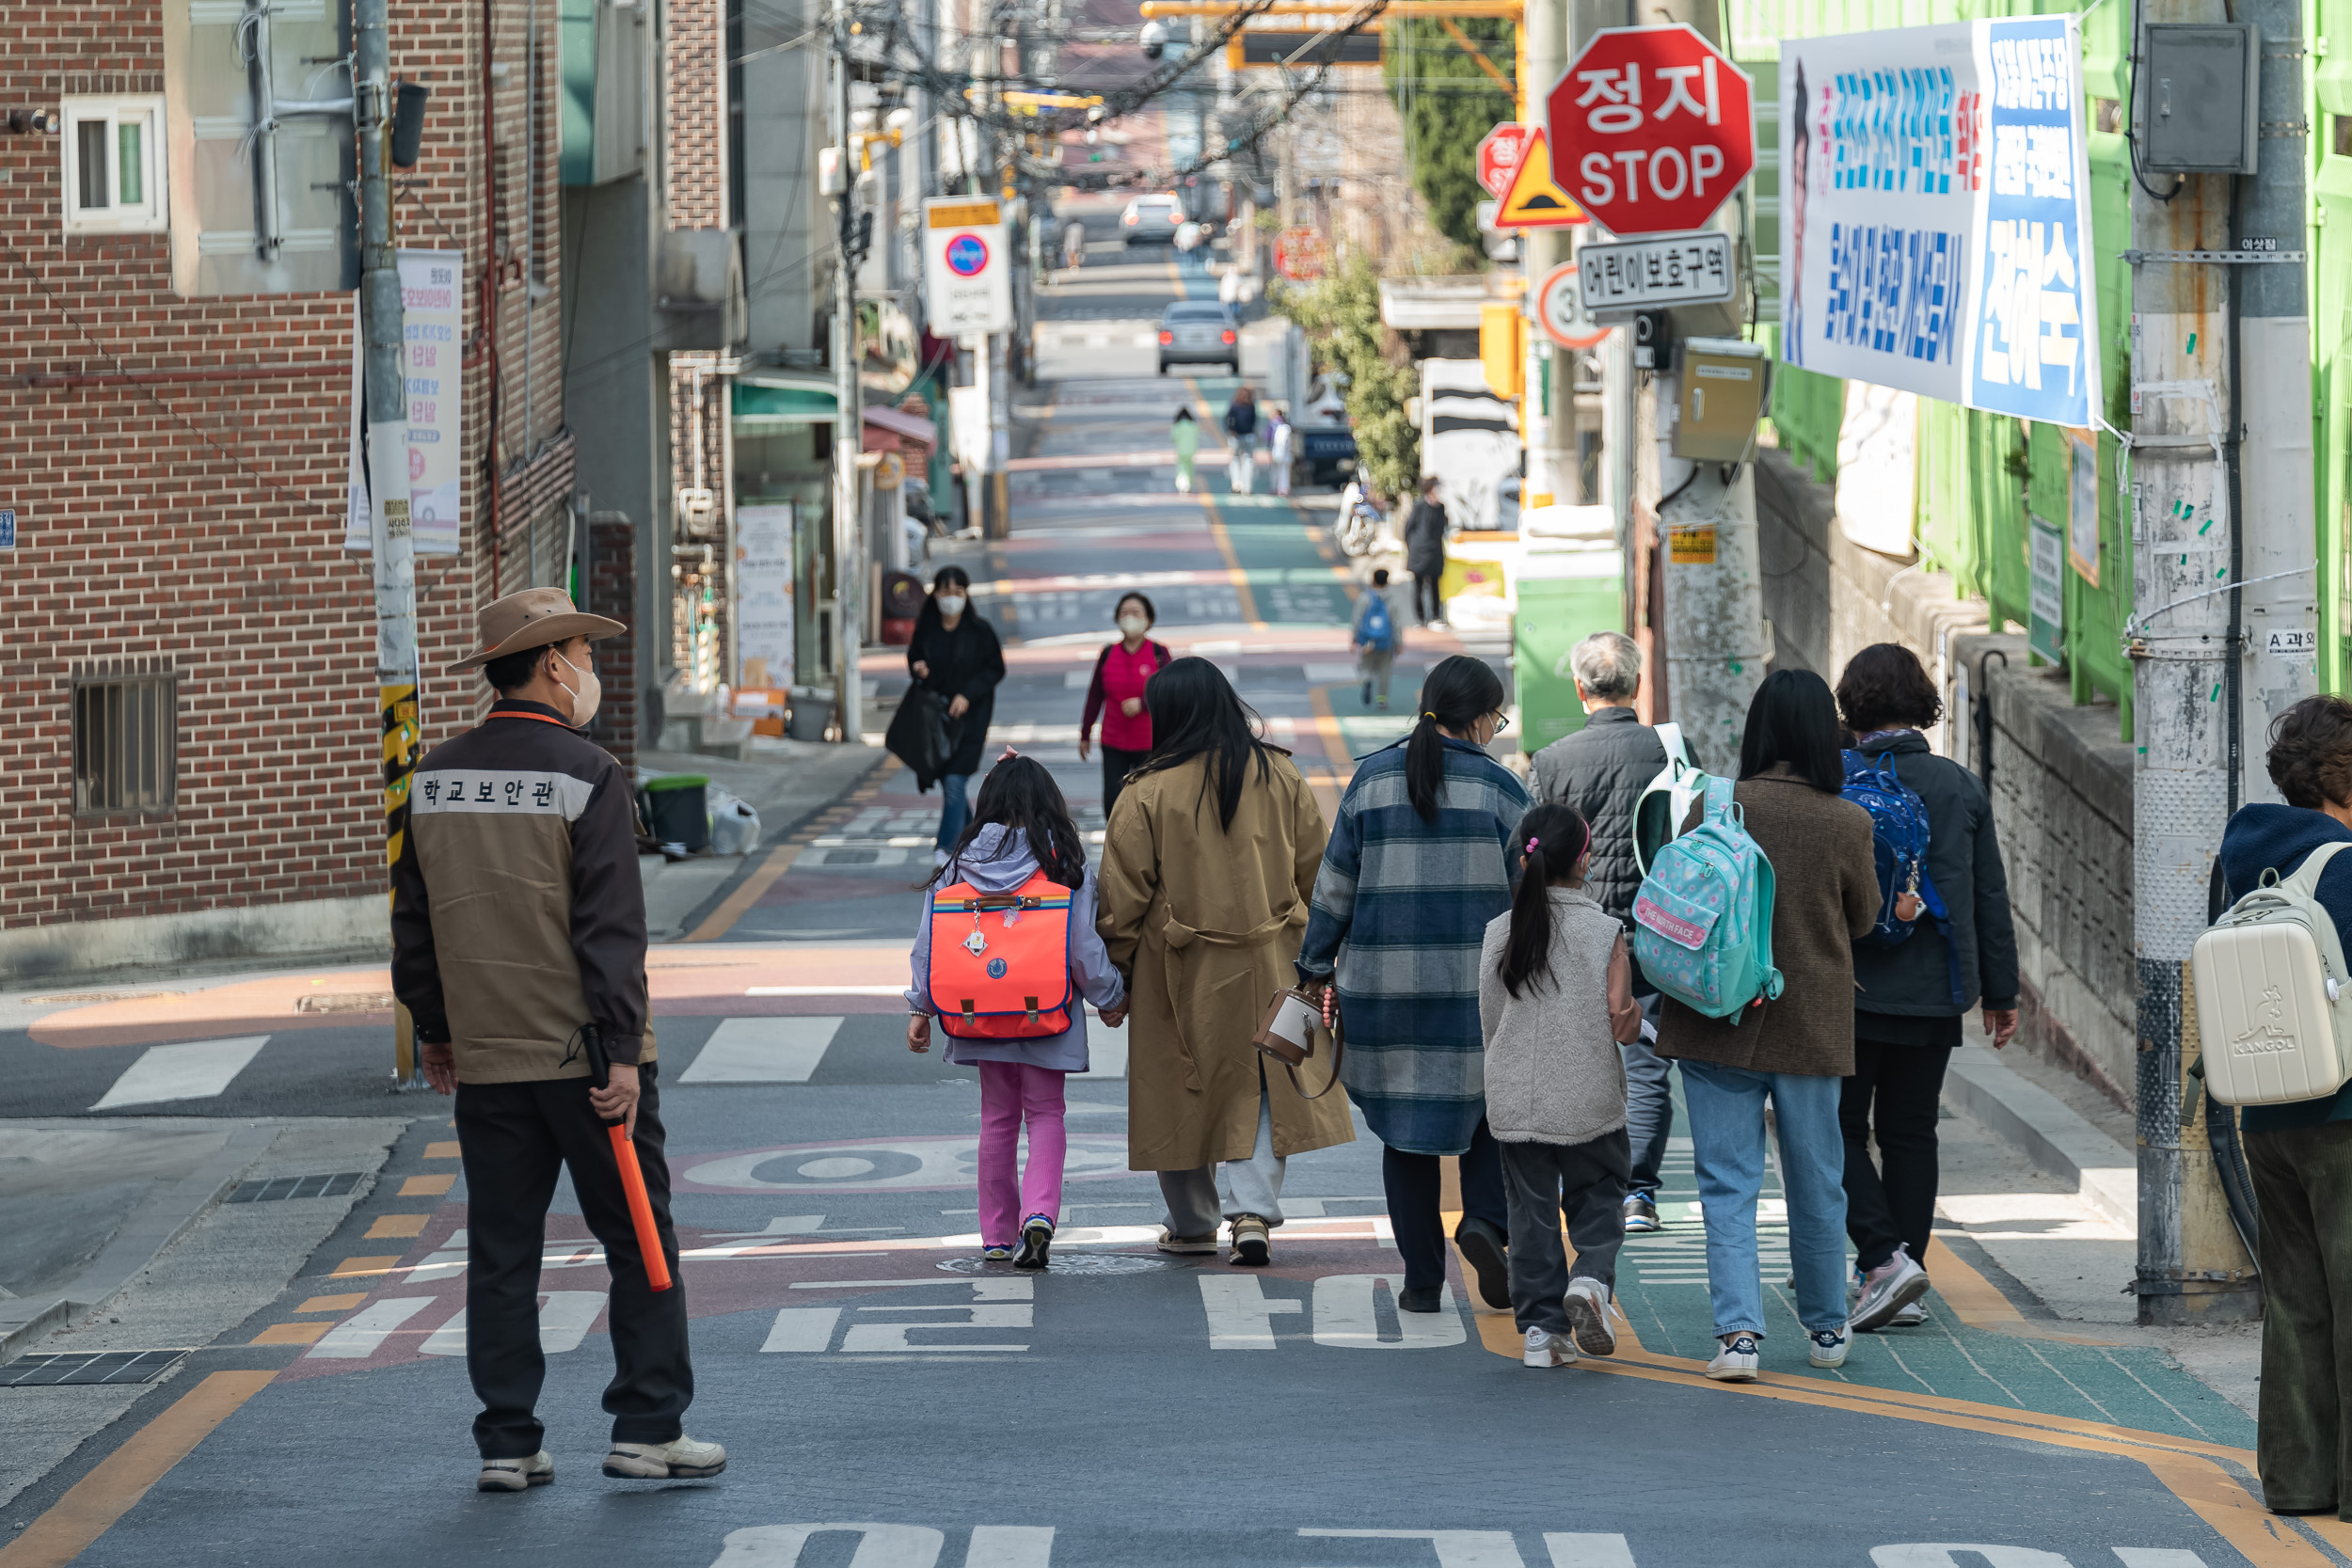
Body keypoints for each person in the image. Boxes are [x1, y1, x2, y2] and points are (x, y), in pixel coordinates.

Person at [390, 587, 724, 1492]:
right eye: (583, 651)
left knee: (502, 1251)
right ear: (549, 664)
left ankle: (507, 1439)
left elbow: (415, 923)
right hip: (588, 1063)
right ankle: (647, 1427)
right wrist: (623, 1051)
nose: (591, 670)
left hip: (489, 1061)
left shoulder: (431, 777)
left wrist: (435, 1031)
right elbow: (610, 929)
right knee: (638, 1239)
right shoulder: (589, 773)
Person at [1654, 668, 1878, 1382]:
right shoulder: (1847, 821)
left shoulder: (1716, 805)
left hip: (1716, 1014)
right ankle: (1826, 1326)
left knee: (1727, 1180)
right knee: (1817, 1178)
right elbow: (1865, 917)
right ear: (1824, 736)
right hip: (1810, 1023)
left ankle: (1739, 1337)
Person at [1097, 657, 1355, 1266]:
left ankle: (1192, 1221)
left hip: (1178, 971)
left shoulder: (1146, 790)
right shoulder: (1281, 774)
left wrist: (1119, 972)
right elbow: (1322, 875)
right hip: (1277, 962)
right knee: (1267, 1085)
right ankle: (1252, 1214)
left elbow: (1120, 899)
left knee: (1178, 1089)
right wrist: (1324, 962)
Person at [1297, 655, 1531, 1314]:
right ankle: (1484, 1221)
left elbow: (1334, 886)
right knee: (1489, 1113)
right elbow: (1535, 892)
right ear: (1483, 717)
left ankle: (1422, 1280)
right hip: (1478, 992)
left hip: (1383, 988)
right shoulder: (1502, 789)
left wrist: (1314, 967)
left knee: (1404, 1133)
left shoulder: (1370, 780)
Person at [1834, 643, 2021, 1331]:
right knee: (1912, 1130)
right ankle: (1901, 1269)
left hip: (1849, 988)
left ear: (1852, 705)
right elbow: (1989, 896)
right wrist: (2002, 992)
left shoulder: (1836, 777)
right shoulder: (1957, 784)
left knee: (1840, 1127)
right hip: (1935, 988)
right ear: (1923, 704)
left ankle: (1882, 1259)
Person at [907, 754, 1129, 1268]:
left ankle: (997, 1235)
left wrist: (920, 1005)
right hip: (1045, 1011)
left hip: (977, 1011)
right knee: (1047, 1112)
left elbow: (929, 943)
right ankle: (1041, 1215)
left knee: (997, 1118)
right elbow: (1083, 947)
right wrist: (1111, 997)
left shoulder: (961, 863)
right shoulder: (1063, 864)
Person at [2219, 695, 2352, 1520]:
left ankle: (2299, 1480)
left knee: (2297, 1297)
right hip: (2344, 1109)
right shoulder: (2345, 866)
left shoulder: (2245, 856)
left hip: (2265, 1109)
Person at [1481, 801, 1645, 1369]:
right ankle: (1591, 1281)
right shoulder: (1603, 932)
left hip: (1515, 1094)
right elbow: (1621, 1020)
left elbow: (1490, 1017)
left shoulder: (1500, 931)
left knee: (1529, 1214)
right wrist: (1643, 1017)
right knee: (1599, 1196)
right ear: (1583, 861)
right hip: (1588, 1093)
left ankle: (1541, 1334)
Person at [1529, 631, 1675, 1236]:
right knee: (1643, 1064)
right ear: (1637, 686)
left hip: (1575, 932)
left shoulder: (1552, 760)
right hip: (1656, 933)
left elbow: (1532, 853)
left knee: (1574, 1061)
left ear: (1579, 688)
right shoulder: (1670, 754)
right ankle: (1637, 1193)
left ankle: (1580, 1186)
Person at [906, 565, 1007, 861]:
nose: (952, 598)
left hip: (971, 720)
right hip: (936, 722)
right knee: (950, 783)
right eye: (946, 592)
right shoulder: (927, 628)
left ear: (966, 594)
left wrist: (967, 694)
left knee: (954, 781)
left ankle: (947, 848)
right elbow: (914, 657)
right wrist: (918, 668)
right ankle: (978, 836)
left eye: (958, 592)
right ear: (935, 594)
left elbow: (995, 669)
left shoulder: (980, 630)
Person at [1077, 592, 1173, 816]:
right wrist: (1085, 732)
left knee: (1151, 803)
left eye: (1136, 613)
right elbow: (1095, 695)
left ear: (1148, 620)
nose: (1129, 617)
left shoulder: (1159, 654)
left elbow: (1171, 692)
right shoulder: (1108, 653)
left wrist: (1143, 704)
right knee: (1113, 804)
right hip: (1114, 741)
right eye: (1124, 613)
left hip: (1150, 742)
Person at [1350, 568, 1403, 711]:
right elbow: (1396, 623)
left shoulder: (1364, 598)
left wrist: (1354, 639)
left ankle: (1367, 680)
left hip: (1367, 641)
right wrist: (1399, 642)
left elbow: (1356, 620)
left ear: (1373, 580)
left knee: (1366, 665)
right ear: (1387, 581)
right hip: (1386, 641)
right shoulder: (1391, 600)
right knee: (1385, 669)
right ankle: (1382, 699)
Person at [1404, 477, 1449, 628]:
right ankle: (1420, 619)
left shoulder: (1441, 507)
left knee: (1435, 585)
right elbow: (1409, 529)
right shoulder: (1419, 506)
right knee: (1418, 586)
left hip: (1435, 551)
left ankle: (1436, 616)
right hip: (1419, 552)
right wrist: (1412, 547)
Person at [1224, 387, 1258, 495]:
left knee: (1234, 459)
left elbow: (1228, 419)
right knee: (1248, 460)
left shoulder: (1234, 405)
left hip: (1236, 436)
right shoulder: (1251, 406)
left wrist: (1231, 430)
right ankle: (1247, 487)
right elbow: (1254, 420)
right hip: (1249, 436)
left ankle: (1236, 483)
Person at [1171, 407, 1200, 495]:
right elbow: (1197, 435)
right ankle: (1188, 485)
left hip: (1181, 450)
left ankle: (1183, 485)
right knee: (1189, 468)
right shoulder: (1193, 425)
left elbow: (1173, 437)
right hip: (1191, 450)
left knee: (1181, 468)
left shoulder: (1178, 426)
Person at [1266, 405, 1294, 498]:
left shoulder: (1272, 424)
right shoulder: (1285, 425)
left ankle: (1275, 487)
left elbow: (1268, 437)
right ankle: (1283, 488)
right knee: (1284, 471)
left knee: (1275, 470)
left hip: (1275, 450)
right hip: (1286, 452)